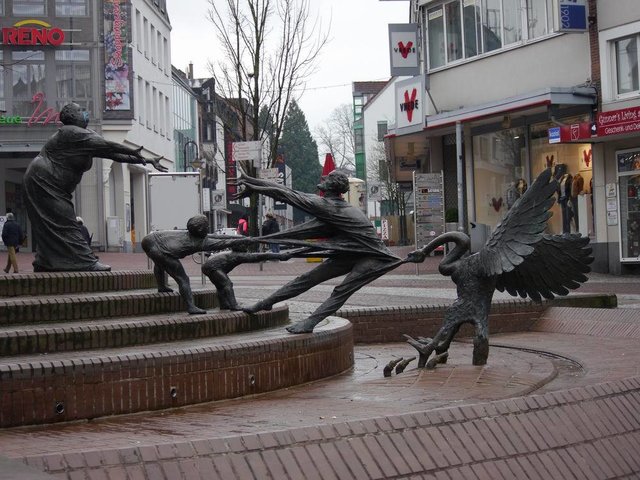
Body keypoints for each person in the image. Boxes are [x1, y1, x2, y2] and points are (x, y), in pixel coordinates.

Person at [235, 170, 403, 334]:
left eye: (328, 178)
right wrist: (251, 180)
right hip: (354, 252)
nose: (324, 179)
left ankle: (310, 323)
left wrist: (253, 186)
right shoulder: (328, 203)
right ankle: (266, 303)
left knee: (342, 290)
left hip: (376, 256)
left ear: (332, 185)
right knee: (307, 278)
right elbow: (288, 191)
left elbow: (285, 195)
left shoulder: (328, 206)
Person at [23, 102, 167, 272]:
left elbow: (113, 154)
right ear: (71, 116)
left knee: (54, 223)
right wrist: (133, 151)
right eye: (80, 110)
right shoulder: (70, 131)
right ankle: (86, 261)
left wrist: (146, 160)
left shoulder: (85, 137)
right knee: (65, 221)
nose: (85, 113)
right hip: (42, 181)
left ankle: (46, 261)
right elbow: (109, 145)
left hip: (52, 184)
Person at [141, 214, 254, 314]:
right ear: (200, 230)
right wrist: (243, 241)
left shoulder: (189, 233)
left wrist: (239, 238)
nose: (208, 228)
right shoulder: (197, 243)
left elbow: (215, 236)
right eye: (206, 226)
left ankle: (161, 286)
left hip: (150, 239)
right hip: (160, 250)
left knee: (159, 263)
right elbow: (223, 243)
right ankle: (191, 307)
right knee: (183, 279)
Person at [202, 246, 305, 311]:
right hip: (213, 267)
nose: (247, 247)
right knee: (227, 284)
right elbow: (260, 256)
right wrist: (280, 256)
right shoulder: (237, 255)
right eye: (245, 245)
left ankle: (224, 304)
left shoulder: (231, 253)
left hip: (209, 266)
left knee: (220, 286)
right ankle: (234, 305)